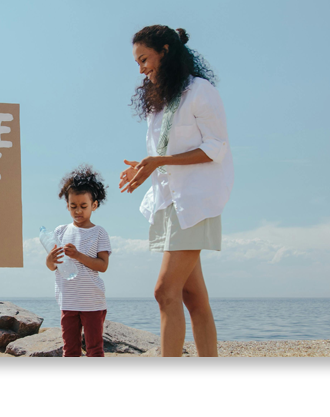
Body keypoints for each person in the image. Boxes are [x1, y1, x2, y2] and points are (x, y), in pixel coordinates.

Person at [118, 25, 233, 357]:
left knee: (164, 292)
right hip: (169, 204)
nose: (141, 69)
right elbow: (164, 155)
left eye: (144, 59)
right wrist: (145, 165)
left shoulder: (201, 91)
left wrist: (158, 160)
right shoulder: (161, 102)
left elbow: (216, 148)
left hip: (196, 202)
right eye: (137, 63)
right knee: (192, 297)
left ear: (165, 51)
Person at [45, 165, 112, 357]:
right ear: (67, 205)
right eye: (73, 206)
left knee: (95, 349)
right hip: (68, 301)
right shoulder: (60, 231)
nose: (78, 211)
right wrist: (50, 259)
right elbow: (52, 267)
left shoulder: (99, 233)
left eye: (83, 206)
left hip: (92, 302)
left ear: (94, 205)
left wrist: (78, 256)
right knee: (70, 350)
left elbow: (103, 265)